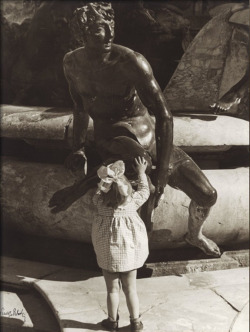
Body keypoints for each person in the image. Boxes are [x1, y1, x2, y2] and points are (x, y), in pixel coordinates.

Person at [49, 2, 221, 257]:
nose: (108, 34)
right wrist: (80, 148)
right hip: (116, 142)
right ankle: (133, 259)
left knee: (207, 195)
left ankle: (194, 235)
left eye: (110, 27)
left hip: (151, 143)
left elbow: (164, 116)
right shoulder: (72, 64)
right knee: (143, 204)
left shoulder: (131, 61)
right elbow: (80, 107)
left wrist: (162, 171)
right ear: (82, 34)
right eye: (99, 29)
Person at [92, 156, 149, 331]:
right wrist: (141, 172)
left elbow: (98, 193)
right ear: (128, 190)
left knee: (112, 290)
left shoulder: (100, 204)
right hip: (129, 254)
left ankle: (112, 321)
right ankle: (135, 322)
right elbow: (145, 190)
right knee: (131, 289)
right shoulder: (133, 203)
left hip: (108, 253)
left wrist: (106, 181)